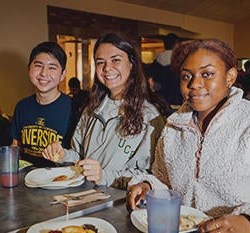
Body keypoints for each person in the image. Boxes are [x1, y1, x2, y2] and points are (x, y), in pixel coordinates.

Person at [126, 39, 250, 233]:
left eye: (207, 74)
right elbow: (164, 180)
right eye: (186, 76)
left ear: (230, 76)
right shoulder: (173, 127)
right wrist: (148, 186)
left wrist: (249, 222)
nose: (195, 84)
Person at [42, 32, 166, 190]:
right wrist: (62, 155)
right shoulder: (92, 108)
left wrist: (103, 176)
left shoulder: (150, 117)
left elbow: (150, 177)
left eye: (115, 60)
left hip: (119, 204)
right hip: (84, 196)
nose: (107, 68)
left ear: (132, 64)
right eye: (100, 62)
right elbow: (80, 157)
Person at [10, 41, 72, 167]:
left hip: (60, 180)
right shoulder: (22, 107)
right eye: (38, 66)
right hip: (27, 179)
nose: (44, 73)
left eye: (52, 67)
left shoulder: (73, 109)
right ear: (29, 69)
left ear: (62, 75)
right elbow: (16, 146)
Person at [148, 33, 183, 106]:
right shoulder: (180, 62)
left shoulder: (156, 61)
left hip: (161, 101)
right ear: (176, 44)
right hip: (177, 100)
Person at [66, 77, 90, 145]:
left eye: (74, 90)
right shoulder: (69, 98)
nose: (73, 92)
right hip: (72, 126)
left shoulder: (86, 96)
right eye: (71, 90)